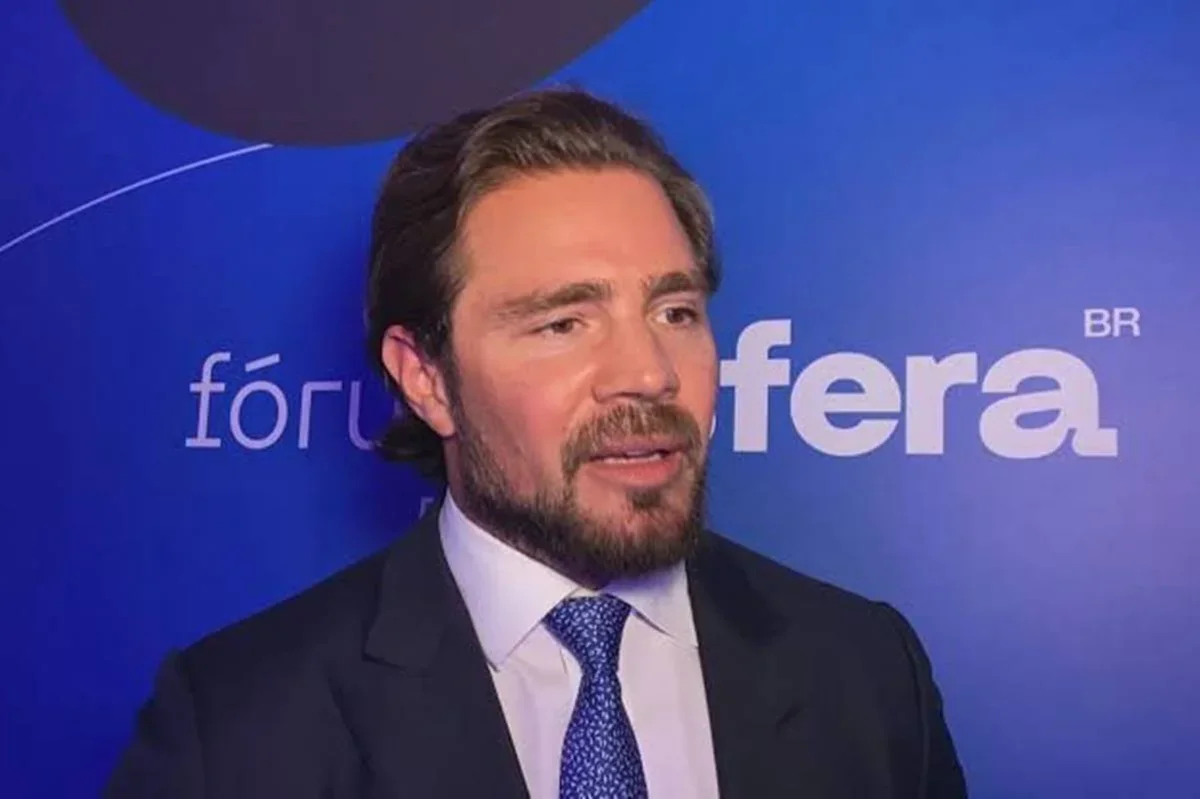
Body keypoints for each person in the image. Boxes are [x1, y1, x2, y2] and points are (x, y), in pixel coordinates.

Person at [107, 86, 967, 798]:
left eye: (675, 312)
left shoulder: (866, 671)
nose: (649, 373)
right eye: (563, 323)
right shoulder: (235, 731)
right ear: (426, 378)